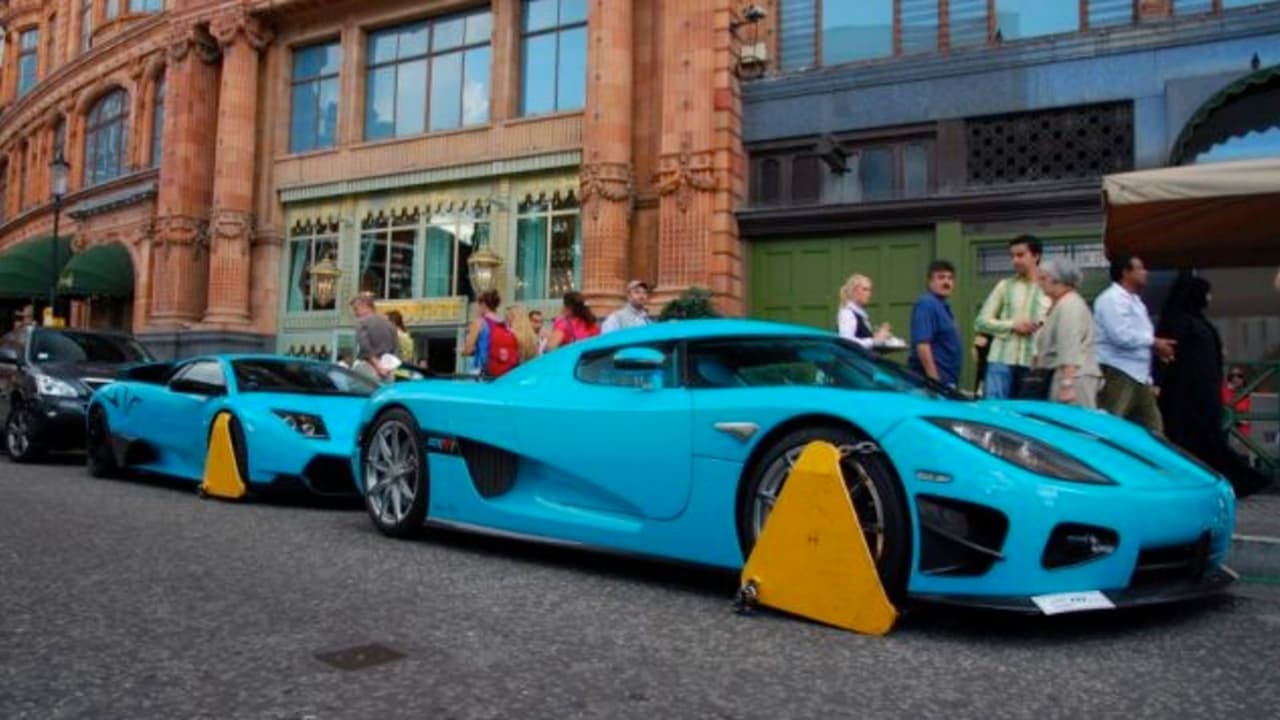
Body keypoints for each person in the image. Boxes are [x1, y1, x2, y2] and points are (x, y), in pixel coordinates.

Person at [1155, 273, 1270, 497]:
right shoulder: (1180, 321)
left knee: (1208, 440)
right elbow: (1167, 359)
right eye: (1206, 293)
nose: (1209, 298)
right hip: (1185, 397)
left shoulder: (1194, 320)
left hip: (1203, 396)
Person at [1093, 255, 1176, 433]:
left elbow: (1140, 335)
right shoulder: (1111, 299)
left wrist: (1152, 348)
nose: (1145, 273)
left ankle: (1153, 459)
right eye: (1140, 269)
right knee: (1111, 425)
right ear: (1126, 273)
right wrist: (1153, 342)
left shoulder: (1136, 302)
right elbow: (1121, 336)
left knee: (1153, 429)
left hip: (1140, 376)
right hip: (1119, 371)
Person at [975, 235, 1050, 398]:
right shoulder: (1004, 286)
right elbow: (980, 322)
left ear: (1036, 256)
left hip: (1035, 363)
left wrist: (1040, 325)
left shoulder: (1050, 287)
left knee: (1028, 416)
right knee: (995, 413)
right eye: (1012, 256)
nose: (1014, 260)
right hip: (1001, 361)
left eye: (1020, 255)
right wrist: (1012, 325)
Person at [1033, 258, 1101, 408]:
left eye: (1044, 278)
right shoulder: (1060, 305)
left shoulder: (1069, 305)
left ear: (1058, 280)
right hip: (1067, 375)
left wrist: (1067, 384)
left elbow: (1069, 345)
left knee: (1076, 425)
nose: (1040, 283)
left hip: (1074, 378)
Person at [908, 260, 962, 388]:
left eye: (950, 278)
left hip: (947, 380)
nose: (946, 282)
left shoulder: (944, 307)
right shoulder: (927, 304)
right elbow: (922, 345)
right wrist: (934, 381)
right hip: (931, 384)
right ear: (930, 281)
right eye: (941, 277)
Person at [463, 290, 519, 378]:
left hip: (483, 372)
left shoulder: (479, 322)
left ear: (484, 305)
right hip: (503, 371)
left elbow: (468, 349)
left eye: (479, 305)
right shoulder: (504, 324)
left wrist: (463, 351)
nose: (478, 308)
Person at [350, 293, 399, 382]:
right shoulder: (389, 323)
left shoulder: (361, 322)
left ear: (365, 306)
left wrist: (378, 367)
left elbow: (365, 347)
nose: (355, 313)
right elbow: (395, 348)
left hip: (367, 371)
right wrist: (386, 368)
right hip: (388, 373)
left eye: (356, 309)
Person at [836, 274, 891, 350]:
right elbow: (847, 341)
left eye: (870, 290)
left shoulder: (859, 314)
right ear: (853, 291)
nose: (869, 293)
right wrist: (874, 341)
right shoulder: (847, 313)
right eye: (865, 289)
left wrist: (879, 337)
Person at [1222, 366, 1252, 438]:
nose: (1235, 378)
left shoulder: (1246, 395)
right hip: (1225, 432)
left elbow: (1244, 418)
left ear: (1243, 378)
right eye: (1232, 376)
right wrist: (1229, 390)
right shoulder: (1223, 390)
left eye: (1239, 376)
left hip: (1241, 434)